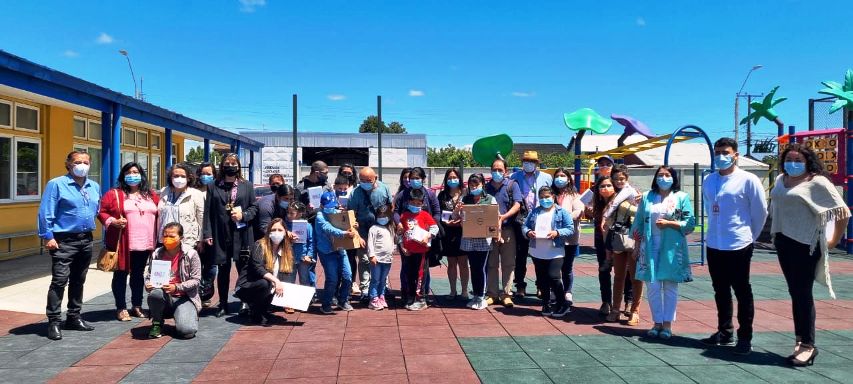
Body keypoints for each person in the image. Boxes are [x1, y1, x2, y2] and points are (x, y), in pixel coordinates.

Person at [769, 143, 849, 366]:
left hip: (806, 244)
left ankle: (808, 345)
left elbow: (843, 211)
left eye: (798, 160)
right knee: (795, 292)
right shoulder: (780, 179)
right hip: (784, 241)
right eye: (788, 159)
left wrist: (834, 240)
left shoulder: (817, 182)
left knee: (803, 294)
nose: (792, 164)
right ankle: (800, 338)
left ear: (808, 162)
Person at [700, 138, 768, 355]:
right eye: (717, 152)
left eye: (726, 152)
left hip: (739, 243)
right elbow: (710, 209)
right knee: (720, 290)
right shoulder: (709, 180)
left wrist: (749, 236)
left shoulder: (748, 180)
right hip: (714, 243)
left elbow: (760, 212)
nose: (721, 156)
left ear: (736, 154)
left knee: (742, 290)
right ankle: (725, 331)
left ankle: (745, 336)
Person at [38, 151, 101, 340]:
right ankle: (54, 321)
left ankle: (74, 317)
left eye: (85, 162)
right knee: (59, 280)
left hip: (86, 239)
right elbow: (45, 212)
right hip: (63, 240)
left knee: (78, 280)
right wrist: (47, 236)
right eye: (77, 162)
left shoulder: (94, 186)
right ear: (68, 164)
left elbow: (97, 210)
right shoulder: (56, 184)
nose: (82, 165)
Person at [631, 166, 695, 340]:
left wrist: (670, 224)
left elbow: (689, 222)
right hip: (649, 246)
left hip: (672, 247)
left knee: (669, 286)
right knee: (652, 286)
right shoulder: (647, 197)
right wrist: (637, 246)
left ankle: (667, 324)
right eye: (660, 175)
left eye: (667, 175)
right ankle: (656, 322)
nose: (664, 178)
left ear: (674, 178)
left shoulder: (681, 197)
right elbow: (638, 223)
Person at [98, 162, 160, 321]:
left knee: (138, 275)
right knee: (120, 275)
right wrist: (112, 221)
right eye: (129, 172)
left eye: (136, 171)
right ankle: (121, 308)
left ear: (142, 175)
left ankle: (137, 306)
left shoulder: (151, 194)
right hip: (124, 243)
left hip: (146, 243)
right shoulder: (115, 194)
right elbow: (102, 212)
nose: (133, 175)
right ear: (123, 176)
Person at [203, 153, 258, 318]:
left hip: (241, 234)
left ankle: (245, 301)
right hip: (221, 234)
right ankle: (223, 303)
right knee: (223, 270)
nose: (230, 166)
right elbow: (208, 212)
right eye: (227, 163)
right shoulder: (214, 186)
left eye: (234, 163)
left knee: (243, 270)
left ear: (238, 166)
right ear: (222, 166)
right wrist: (207, 233)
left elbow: (254, 208)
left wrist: (244, 216)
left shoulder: (246, 185)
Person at [522, 186, 574, 318]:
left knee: (554, 276)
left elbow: (570, 229)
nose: (544, 200)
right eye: (542, 197)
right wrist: (528, 232)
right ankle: (546, 303)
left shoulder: (562, 212)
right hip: (537, 250)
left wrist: (557, 232)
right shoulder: (534, 212)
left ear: (553, 197)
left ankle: (563, 303)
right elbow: (525, 226)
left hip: (555, 250)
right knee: (541, 279)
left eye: (547, 197)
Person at [145, 222, 201, 339]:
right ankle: (157, 322)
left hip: (184, 297)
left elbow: (196, 280)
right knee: (155, 294)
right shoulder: (157, 253)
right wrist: (147, 284)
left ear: (181, 238)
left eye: (172, 236)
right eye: (165, 236)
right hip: (163, 295)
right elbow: (148, 275)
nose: (167, 239)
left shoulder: (191, 254)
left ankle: (184, 317)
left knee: (187, 332)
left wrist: (177, 287)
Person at [510, 150, 553, 298]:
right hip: (521, 221)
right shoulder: (514, 177)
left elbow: (552, 196)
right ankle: (520, 285)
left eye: (531, 161)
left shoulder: (547, 177)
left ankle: (541, 285)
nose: (528, 164)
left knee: (540, 256)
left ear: (537, 163)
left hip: (541, 220)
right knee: (520, 255)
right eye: (525, 161)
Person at [603, 166, 643, 326]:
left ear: (627, 178)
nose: (619, 182)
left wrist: (605, 216)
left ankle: (635, 311)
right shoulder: (613, 192)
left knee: (635, 276)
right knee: (619, 275)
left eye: (622, 179)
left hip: (633, 236)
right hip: (619, 236)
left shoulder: (629, 191)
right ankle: (615, 309)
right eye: (616, 179)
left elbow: (614, 205)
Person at [394, 167, 441, 302]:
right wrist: (399, 223)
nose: (414, 181)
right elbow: (396, 212)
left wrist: (429, 230)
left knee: (422, 270)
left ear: (423, 179)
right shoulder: (403, 194)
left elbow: (437, 212)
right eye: (412, 178)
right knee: (407, 268)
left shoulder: (430, 194)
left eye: (417, 178)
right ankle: (407, 294)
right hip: (407, 239)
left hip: (423, 240)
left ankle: (422, 296)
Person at [234, 218, 292, 324]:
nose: (276, 233)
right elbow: (258, 268)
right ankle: (255, 311)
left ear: (285, 232)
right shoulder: (259, 245)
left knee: (275, 286)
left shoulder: (286, 250)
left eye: (280, 230)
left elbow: (286, 274)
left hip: (269, 287)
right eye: (273, 230)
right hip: (246, 287)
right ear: (268, 232)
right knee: (265, 283)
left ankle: (263, 311)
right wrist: (276, 281)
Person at [348, 167, 393, 300]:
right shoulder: (355, 193)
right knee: (364, 260)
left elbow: (390, 207)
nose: (365, 183)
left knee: (383, 259)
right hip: (363, 231)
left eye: (368, 180)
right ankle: (365, 289)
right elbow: (351, 215)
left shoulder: (384, 188)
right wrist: (357, 235)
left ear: (375, 179)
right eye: (362, 180)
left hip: (382, 229)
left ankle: (382, 287)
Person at [457, 174, 498, 310]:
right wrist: (458, 210)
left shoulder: (490, 199)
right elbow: (455, 216)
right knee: (473, 267)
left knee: (481, 267)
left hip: (483, 240)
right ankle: (475, 295)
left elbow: (495, 218)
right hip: (468, 238)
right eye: (471, 185)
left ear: (482, 185)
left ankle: (481, 296)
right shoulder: (465, 198)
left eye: (477, 185)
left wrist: (496, 234)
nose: (474, 187)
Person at [485, 159, 522, 307]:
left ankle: (506, 294)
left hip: (507, 230)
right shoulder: (486, 187)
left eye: (500, 170)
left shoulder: (512, 185)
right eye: (494, 169)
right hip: (489, 231)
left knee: (508, 263)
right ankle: (492, 294)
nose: (497, 172)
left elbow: (517, 204)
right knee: (491, 263)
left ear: (505, 171)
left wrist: (503, 217)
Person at [315, 191, 359, 314]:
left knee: (347, 275)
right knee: (332, 278)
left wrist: (353, 224)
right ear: (322, 205)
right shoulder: (319, 216)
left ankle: (343, 300)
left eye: (333, 206)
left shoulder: (336, 212)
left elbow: (346, 222)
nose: (332, 209)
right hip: (327, 251)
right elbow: (328, 228)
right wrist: (344, 233)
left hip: (340, 249)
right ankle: (326, 304)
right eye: (328, 207)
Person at [400, 188, 439, 310]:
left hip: (422, 251)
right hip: (408, 251)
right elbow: (400, 234)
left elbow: (434, 228)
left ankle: (421, 298)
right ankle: (411, 297)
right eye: (413, 203)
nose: (415, 205)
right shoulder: (404, 216)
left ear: (422, 203)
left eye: (418, 203)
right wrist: (402, 247)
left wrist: (428, 236)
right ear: (408, 202)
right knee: (409, 275)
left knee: (421, 275)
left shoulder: (425, 215)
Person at [552, 167, 584, 307]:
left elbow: (579, 210)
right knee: (554, 265)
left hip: (570, 237)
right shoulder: (551, 195)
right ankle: (555, 290)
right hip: (552, 236)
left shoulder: (574, 195)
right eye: (557, 176)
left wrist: (565, 219)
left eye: (563, 176)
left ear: (568, 179)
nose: (560, 178)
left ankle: (567, 291)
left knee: (567, 267)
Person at [437, 168, 469, 301]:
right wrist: (447, 223)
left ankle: (465, 291)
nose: (452, 180)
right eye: (449, 178)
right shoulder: (442, 195)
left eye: (454, 177)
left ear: (459, 178)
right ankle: (452, 290)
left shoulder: (466, 194)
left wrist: (461, 220)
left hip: (463, 232)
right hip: (449, 233)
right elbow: (438, 214)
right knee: (451, 263)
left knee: (463, 263)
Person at [158, 163, 205, 251]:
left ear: (188, 178)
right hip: (165, 240)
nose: (179, 179)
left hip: (186, 242)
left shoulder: (196, 194)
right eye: (176, 176)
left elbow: (201, 218)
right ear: (170, 177)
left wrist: (200, 240)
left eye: (183, 176)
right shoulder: (164, 191)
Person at [194, 162, 218, 308]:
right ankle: (195, 293)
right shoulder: (193, 191)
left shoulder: (216, 190)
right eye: (203, 173)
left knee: (211, 267)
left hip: (212, 236)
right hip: (196, 237)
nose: (206, 176)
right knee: (196, 266)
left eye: (209, 174)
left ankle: (206, 294)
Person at [334, 175, 361, 298]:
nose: (343, 191)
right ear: (335, 187)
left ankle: (349, 286)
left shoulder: (352, 197)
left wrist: (354, 221)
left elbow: (355, 213)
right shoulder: (330, 197)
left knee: (350, 260)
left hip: (349, 233)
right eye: (340, 188)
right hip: (336, 235)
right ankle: (336, 289)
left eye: (345, 188)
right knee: (336, 263)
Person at [367, 205, 396, 310]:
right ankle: (373, 298)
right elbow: (370, 243)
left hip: (387, 259)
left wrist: (393, 249)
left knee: (383, 279)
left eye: (384, 216)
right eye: (380, 216)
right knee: (375, 279)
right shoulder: (374, 229)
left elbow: (393, 241)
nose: (382, 218)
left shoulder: (391, 227)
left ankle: (381, 296)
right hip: (377, 259)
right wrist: (372, 255)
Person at [285, 202, 314, 288]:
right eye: (288, 212)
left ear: (299, 214)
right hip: (289, 257)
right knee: (289, 281)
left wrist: (309, 255)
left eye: (292, 213)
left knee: (304, 280)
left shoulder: (307, 226)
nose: (288, 215)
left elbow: (311, 242)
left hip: (303, 258)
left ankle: (306, 299)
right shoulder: (284, 225)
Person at [254, 174, 286, 241]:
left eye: (277, 183)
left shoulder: (288, 198)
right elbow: (264, 227)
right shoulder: (267, 203)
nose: (276, 186)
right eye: (273, 184)